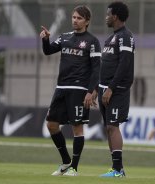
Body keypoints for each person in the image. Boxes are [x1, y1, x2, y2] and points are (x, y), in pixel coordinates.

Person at [39, 5, 101, 176]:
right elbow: (48, 51)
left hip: (79, 90)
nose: (75, 20)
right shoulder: (65, 37)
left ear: (87, 21)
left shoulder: (92, 41)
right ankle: (66, 161)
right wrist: (45, 39)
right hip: (61, 88)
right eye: (73, 17)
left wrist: (91, 91)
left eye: (79, 18)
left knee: (77, 129)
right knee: (51, 125)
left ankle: (74, 167)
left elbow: (97, 69)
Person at [98, 1, 135, 178]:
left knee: (113, 126)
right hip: (104, 88)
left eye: (108, 14)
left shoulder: (125, 37)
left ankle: (118, 170)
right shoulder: (111, 38)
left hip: (117, 89)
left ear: (115, 16)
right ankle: (116, 168)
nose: (106, 17)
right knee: (109, 128)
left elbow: (125, 64)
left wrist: (111, 88)